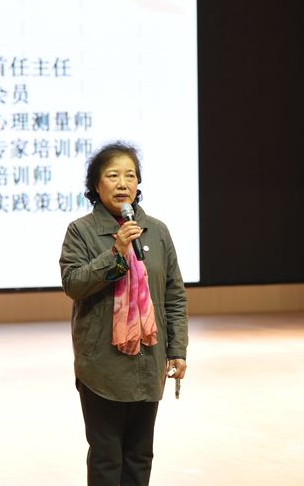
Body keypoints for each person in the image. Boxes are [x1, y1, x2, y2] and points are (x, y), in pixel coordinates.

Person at [59, 141, 188, 485]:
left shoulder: (157, 231)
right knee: (106, 456)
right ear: (96, 184)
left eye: (130, 176)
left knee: (140, 456)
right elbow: (73, 284)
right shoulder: (81, 231)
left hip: (149, 361)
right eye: (113, 175)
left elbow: (174, 294)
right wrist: (116, 250)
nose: (122, 184)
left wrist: (177, 350)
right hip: (102, 366)